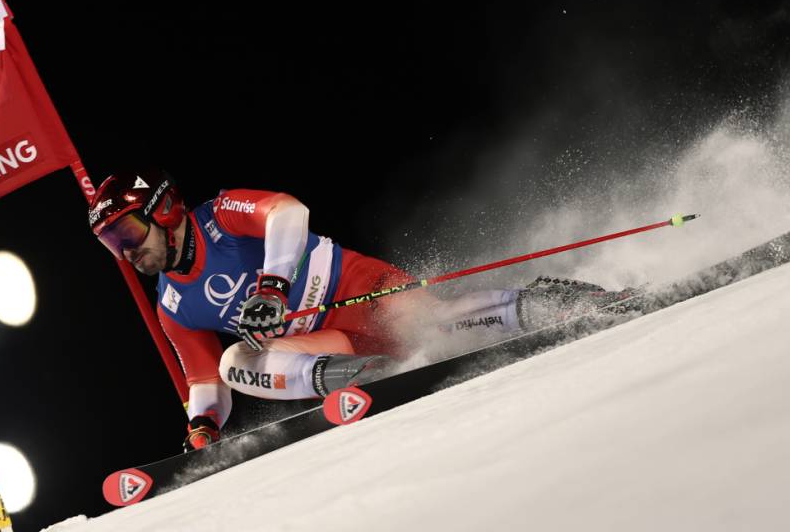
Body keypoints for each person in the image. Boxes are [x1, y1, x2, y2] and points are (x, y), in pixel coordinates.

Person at [89, 170, 629, 451]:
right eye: (113, 245)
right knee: (235, 362)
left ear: (164, 209)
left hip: (357, 288)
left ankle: (557, 301)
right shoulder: (173, 305)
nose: (128, 252)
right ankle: (364, 377)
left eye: (129, 232)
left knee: (430, 324)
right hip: (329, 347)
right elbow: (205, 380)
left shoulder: (220, 215)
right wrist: (203, 428)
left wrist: (272, 289)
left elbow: (288, 211)